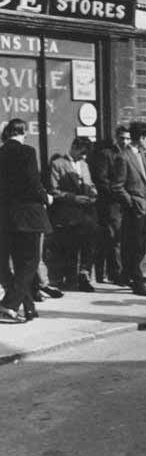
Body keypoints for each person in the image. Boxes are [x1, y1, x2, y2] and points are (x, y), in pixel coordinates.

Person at [0, 119, 53, 322]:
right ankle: (10, 305)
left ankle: (29, 308)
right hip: (28, 216)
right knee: (30, 263)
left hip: (5, 218)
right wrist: (46, 197)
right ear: (22, 133)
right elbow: (33, 182)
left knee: (18, 265)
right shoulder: (27, 152)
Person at [47, 137, 99, 293]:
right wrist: (74, 198)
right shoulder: (58, 164)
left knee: (89, 245)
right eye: (82, 153)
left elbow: (90, 184)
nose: (84, 156)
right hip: (68, 214)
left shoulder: (84, 165)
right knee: (71, 247)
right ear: (74, 147)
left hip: (87, 213)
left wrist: (93, 192)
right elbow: (53, 190)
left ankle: (85, 276)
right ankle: (70, 279)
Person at [111, 121, 146, 297]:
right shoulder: (123, 157)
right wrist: (130, 202)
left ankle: (126, 273)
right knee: (133, 244)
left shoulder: (141, 153)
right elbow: (117, 186)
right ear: (142, 138)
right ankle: (136, 281)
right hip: (134, 207)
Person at [89, 125, 129, 285]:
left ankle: (126, 271)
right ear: (116, 138)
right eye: (122, 138)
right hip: (111, 203)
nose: (125, 142)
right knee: (114, 238)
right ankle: (115, 273)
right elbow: (101, 179)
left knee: (124, 238)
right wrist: (116, 194)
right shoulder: (107, 154)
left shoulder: (129, 154)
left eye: (127, 139)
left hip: (127, 202)